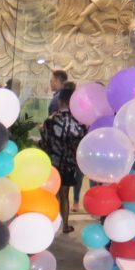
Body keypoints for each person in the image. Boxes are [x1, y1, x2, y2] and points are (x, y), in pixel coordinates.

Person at [39, 86, 86, 233]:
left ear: (60, 101)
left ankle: (50, 224)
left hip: (52, 163)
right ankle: (65, 225)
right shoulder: (79, 122)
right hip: (68, 164)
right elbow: (81, 143)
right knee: (64, 195)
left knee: (52, 194)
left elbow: (44, 143)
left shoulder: (50, 120)